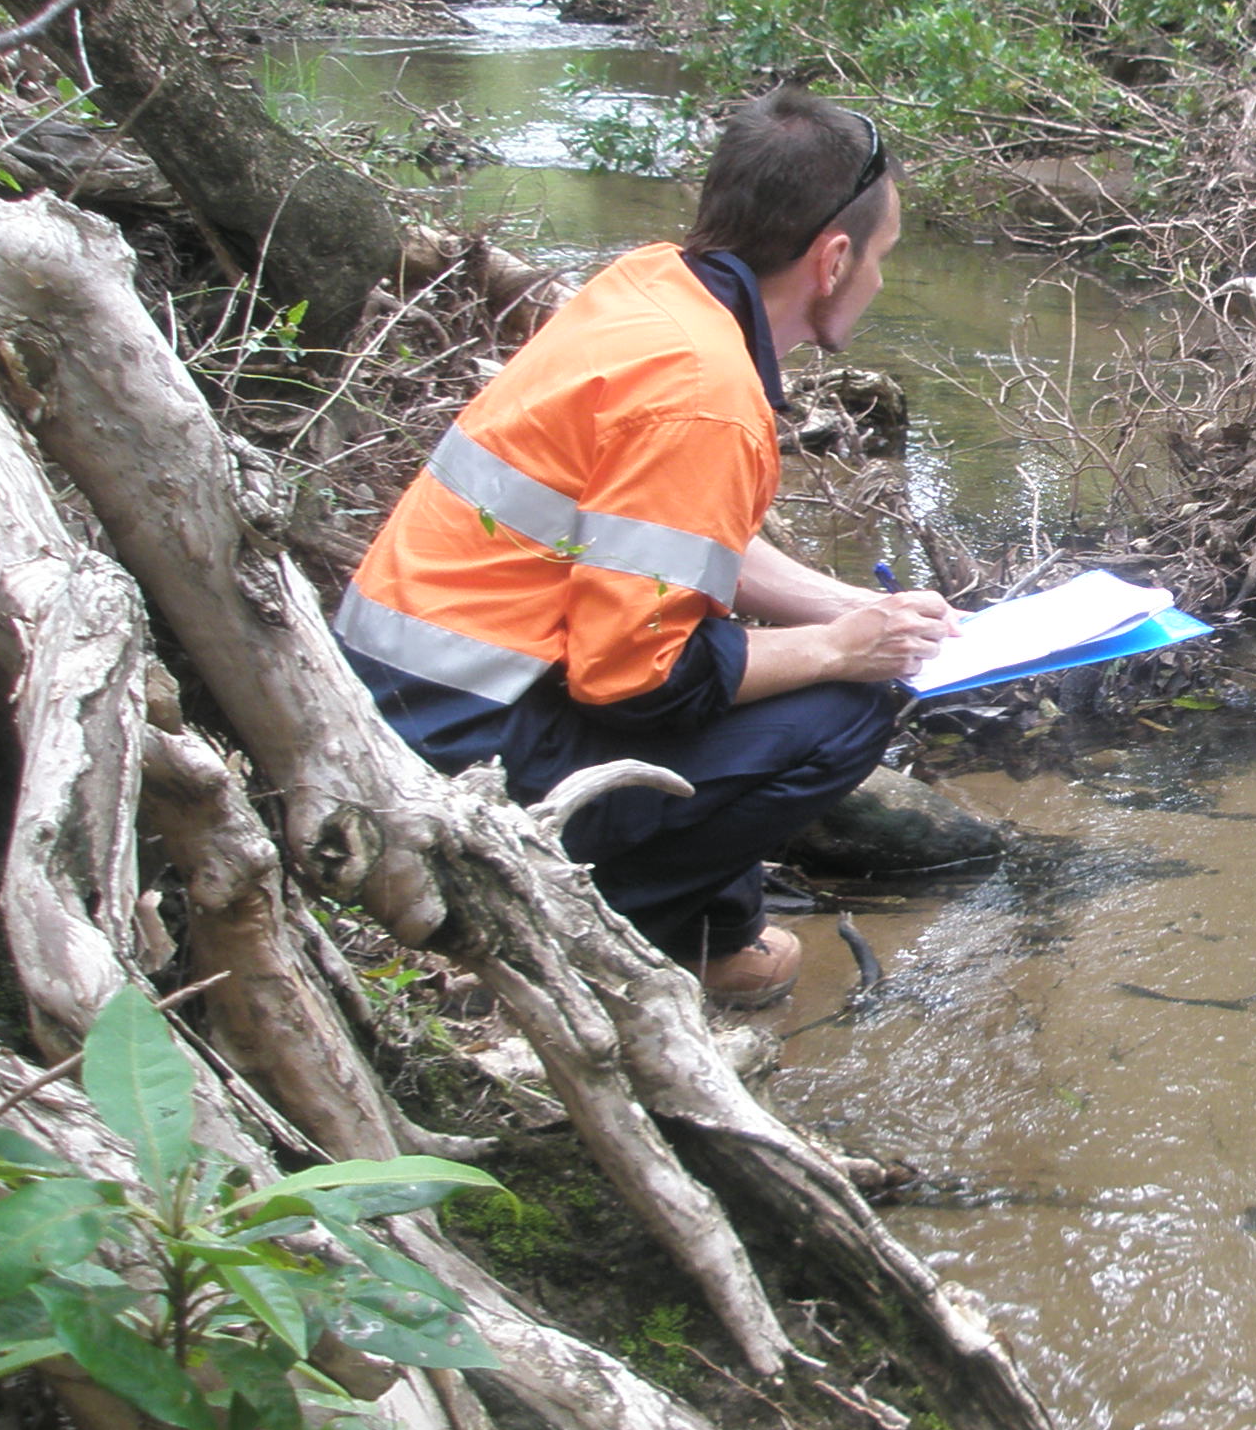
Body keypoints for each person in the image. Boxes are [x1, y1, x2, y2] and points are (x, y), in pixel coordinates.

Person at [334, 84, 953, 1007]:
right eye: (882, 257)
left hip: (398, 695)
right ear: (832, 260)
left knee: (797, 663)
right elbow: (632, 680)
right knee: (844, 709)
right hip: (450, 751)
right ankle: (600, 945)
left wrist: (845, 607)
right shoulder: (703, 395)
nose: (878, 278)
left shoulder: (648, 290)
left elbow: (681, 543)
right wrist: (838, 650)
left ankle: (718, 933)